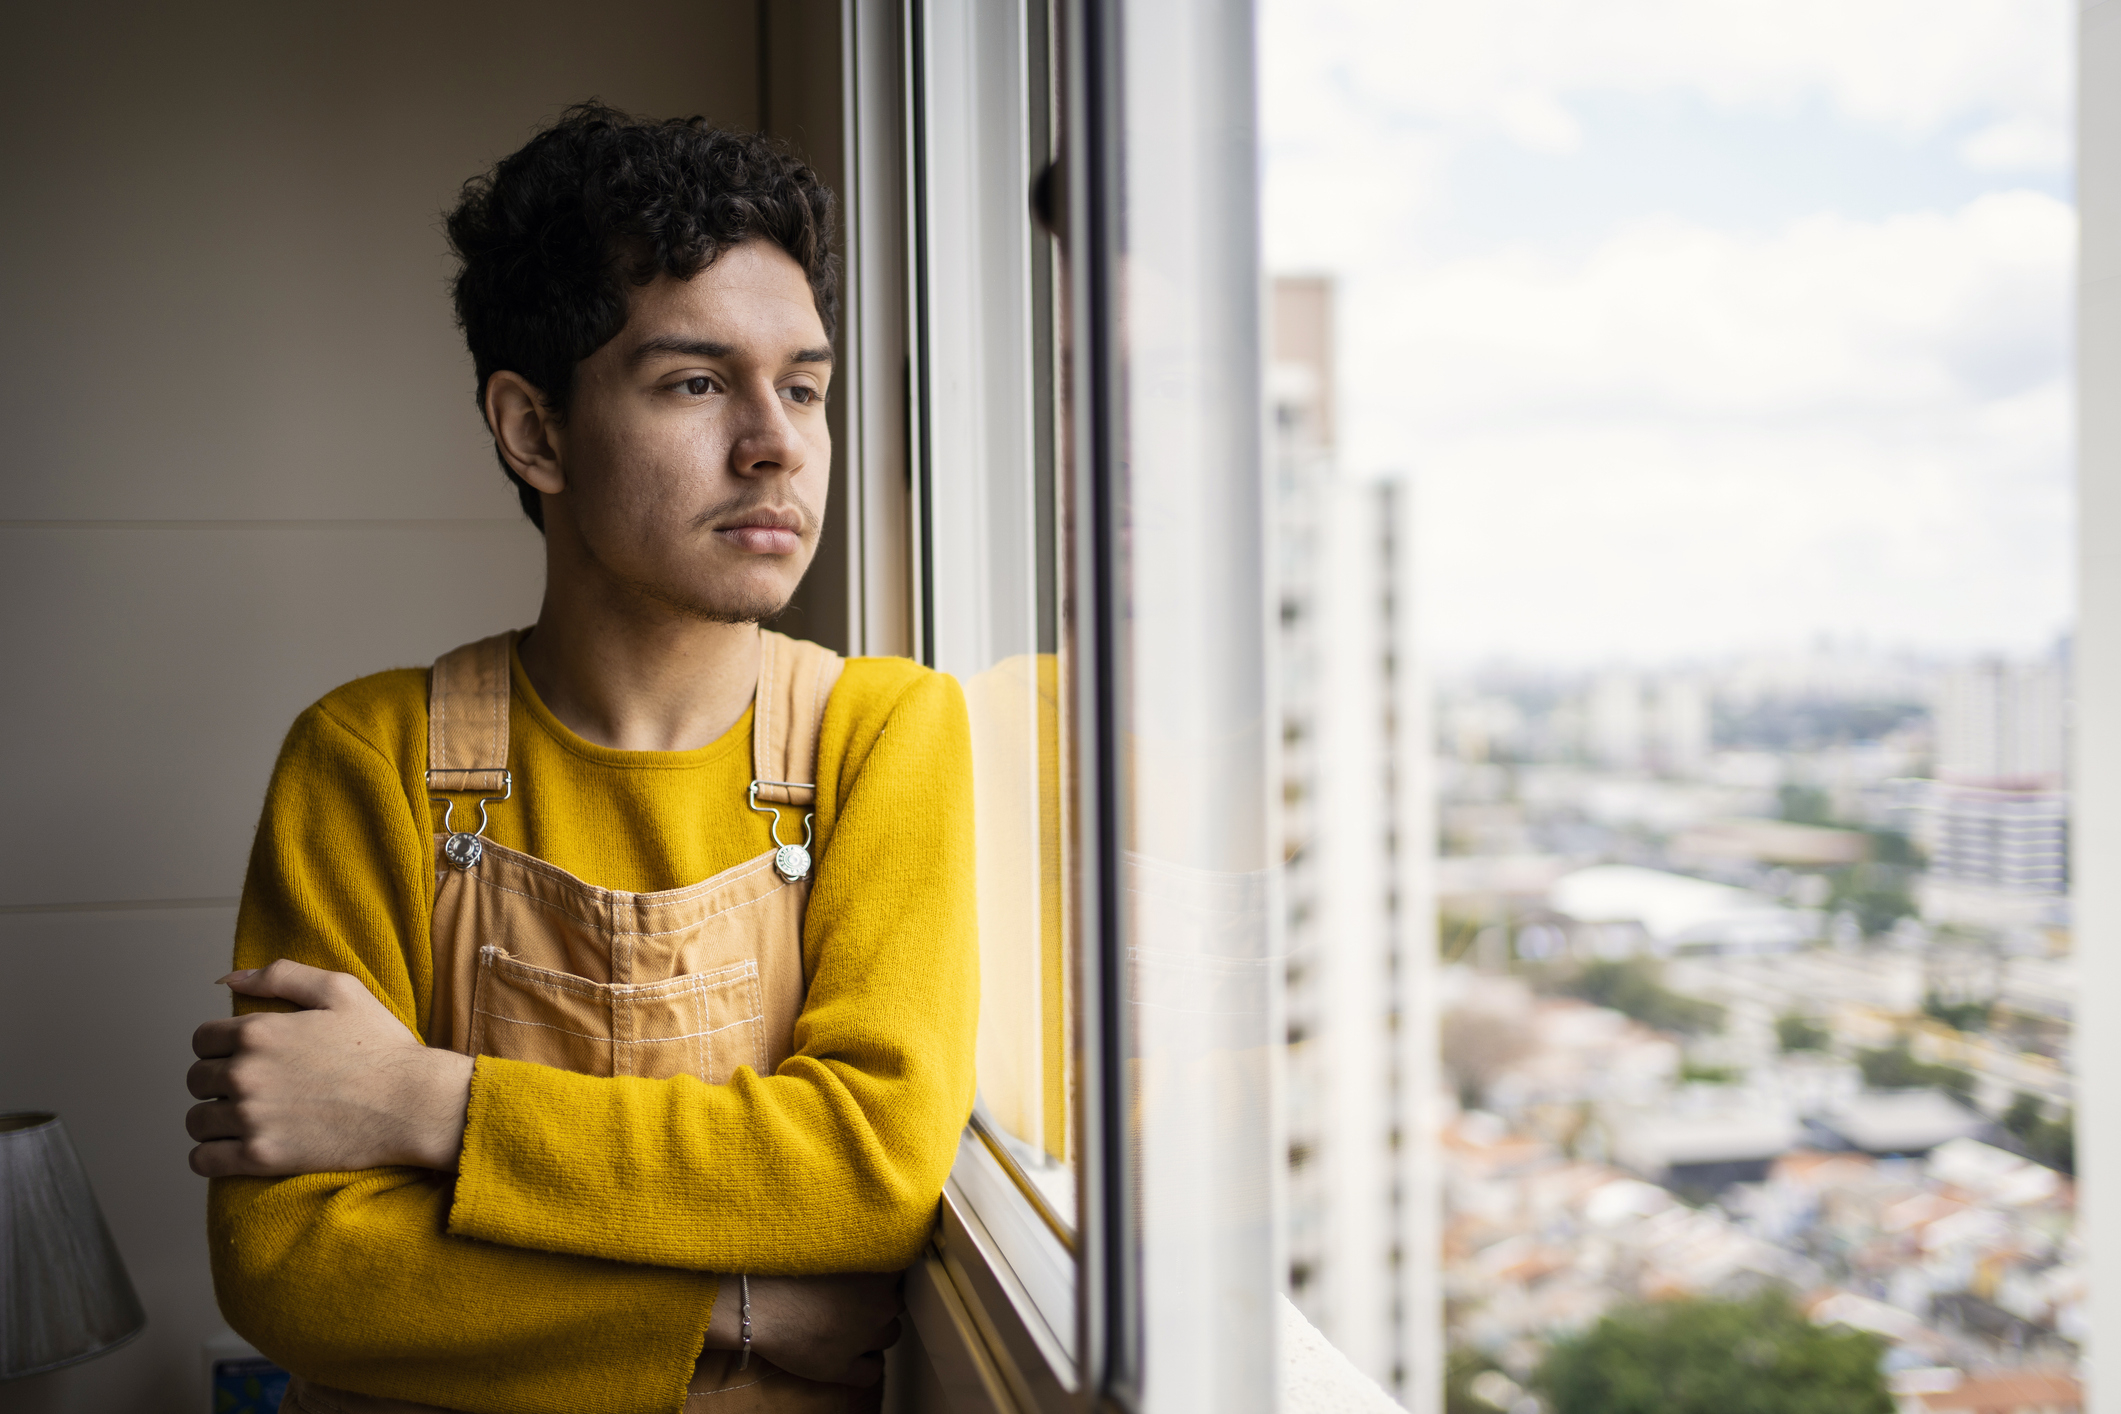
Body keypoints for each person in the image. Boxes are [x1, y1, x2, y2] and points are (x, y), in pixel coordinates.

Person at [182, 103, 978, 1414]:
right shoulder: (365, 755)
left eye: (803, 385)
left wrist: (423, 1103)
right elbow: (295, 1265)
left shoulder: (881, 733)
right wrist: (727, 1307)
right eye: (694, 382)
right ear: (535, 432)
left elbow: (865, 1161)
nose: (776, 441)